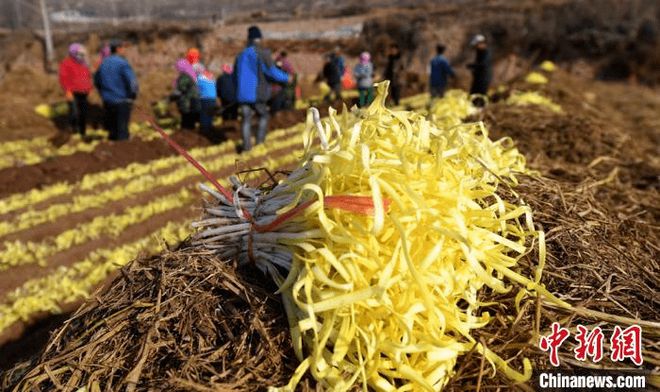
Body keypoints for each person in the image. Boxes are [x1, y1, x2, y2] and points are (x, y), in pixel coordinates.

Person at [234, 25, 290, 152]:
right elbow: (271, 71)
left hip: (242, 94)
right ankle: (259, 144)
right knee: (264, 115)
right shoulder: (262, 53)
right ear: (259, 39)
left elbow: (234, 75)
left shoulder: (240, 55)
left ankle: (247, 147)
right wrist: (286, 77)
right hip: (257, 92)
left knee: (246, 119)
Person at [94, 40, 138, 141]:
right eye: (124, 48)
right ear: (118, 49)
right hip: (122, 100)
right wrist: (133, 95)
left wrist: (102, 93)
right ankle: (123, 151)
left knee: (112, 129)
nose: (125, 50)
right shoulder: (122, 63)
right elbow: (132, 81)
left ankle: (114, 150)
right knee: (122, 129)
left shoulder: (103, 63)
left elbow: (97, 80)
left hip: (108, 101)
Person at [59, 43, 92, 136]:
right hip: (73, 92)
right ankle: (73, 129)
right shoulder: (66, 63)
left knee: (83, 113)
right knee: (74, 112)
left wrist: (88, 88)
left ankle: (82, 132)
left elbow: (87, 76)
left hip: (84, 92)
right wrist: (67, 91)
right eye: (79, 54)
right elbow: (63, 78)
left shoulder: (83, 63)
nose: (81, 56)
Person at [172, 58, 200, 130]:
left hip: (188, 101)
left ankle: (186, 134)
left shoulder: (184, 76)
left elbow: (180, 89)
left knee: (186, 121)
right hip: (195, 100)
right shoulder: (192, 74)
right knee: (191, 121)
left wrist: (169, 99)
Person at [467, 34, 492, 106]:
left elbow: (483, 64)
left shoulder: (486, 52)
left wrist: (473, 65)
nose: (476, 48)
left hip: (483, 78)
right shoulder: (479, 52)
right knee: (473, 96)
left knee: (480, 97)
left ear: (481, 43)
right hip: (478, 78)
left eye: (476, 45)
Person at [195, 64, 217, 135]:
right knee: (210, 113)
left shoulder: (199, 77)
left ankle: (204, 130)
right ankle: (209, 127)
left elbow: (196, 88)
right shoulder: (211, 76)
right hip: (212, 98)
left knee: (204, 114)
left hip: (204, 98)